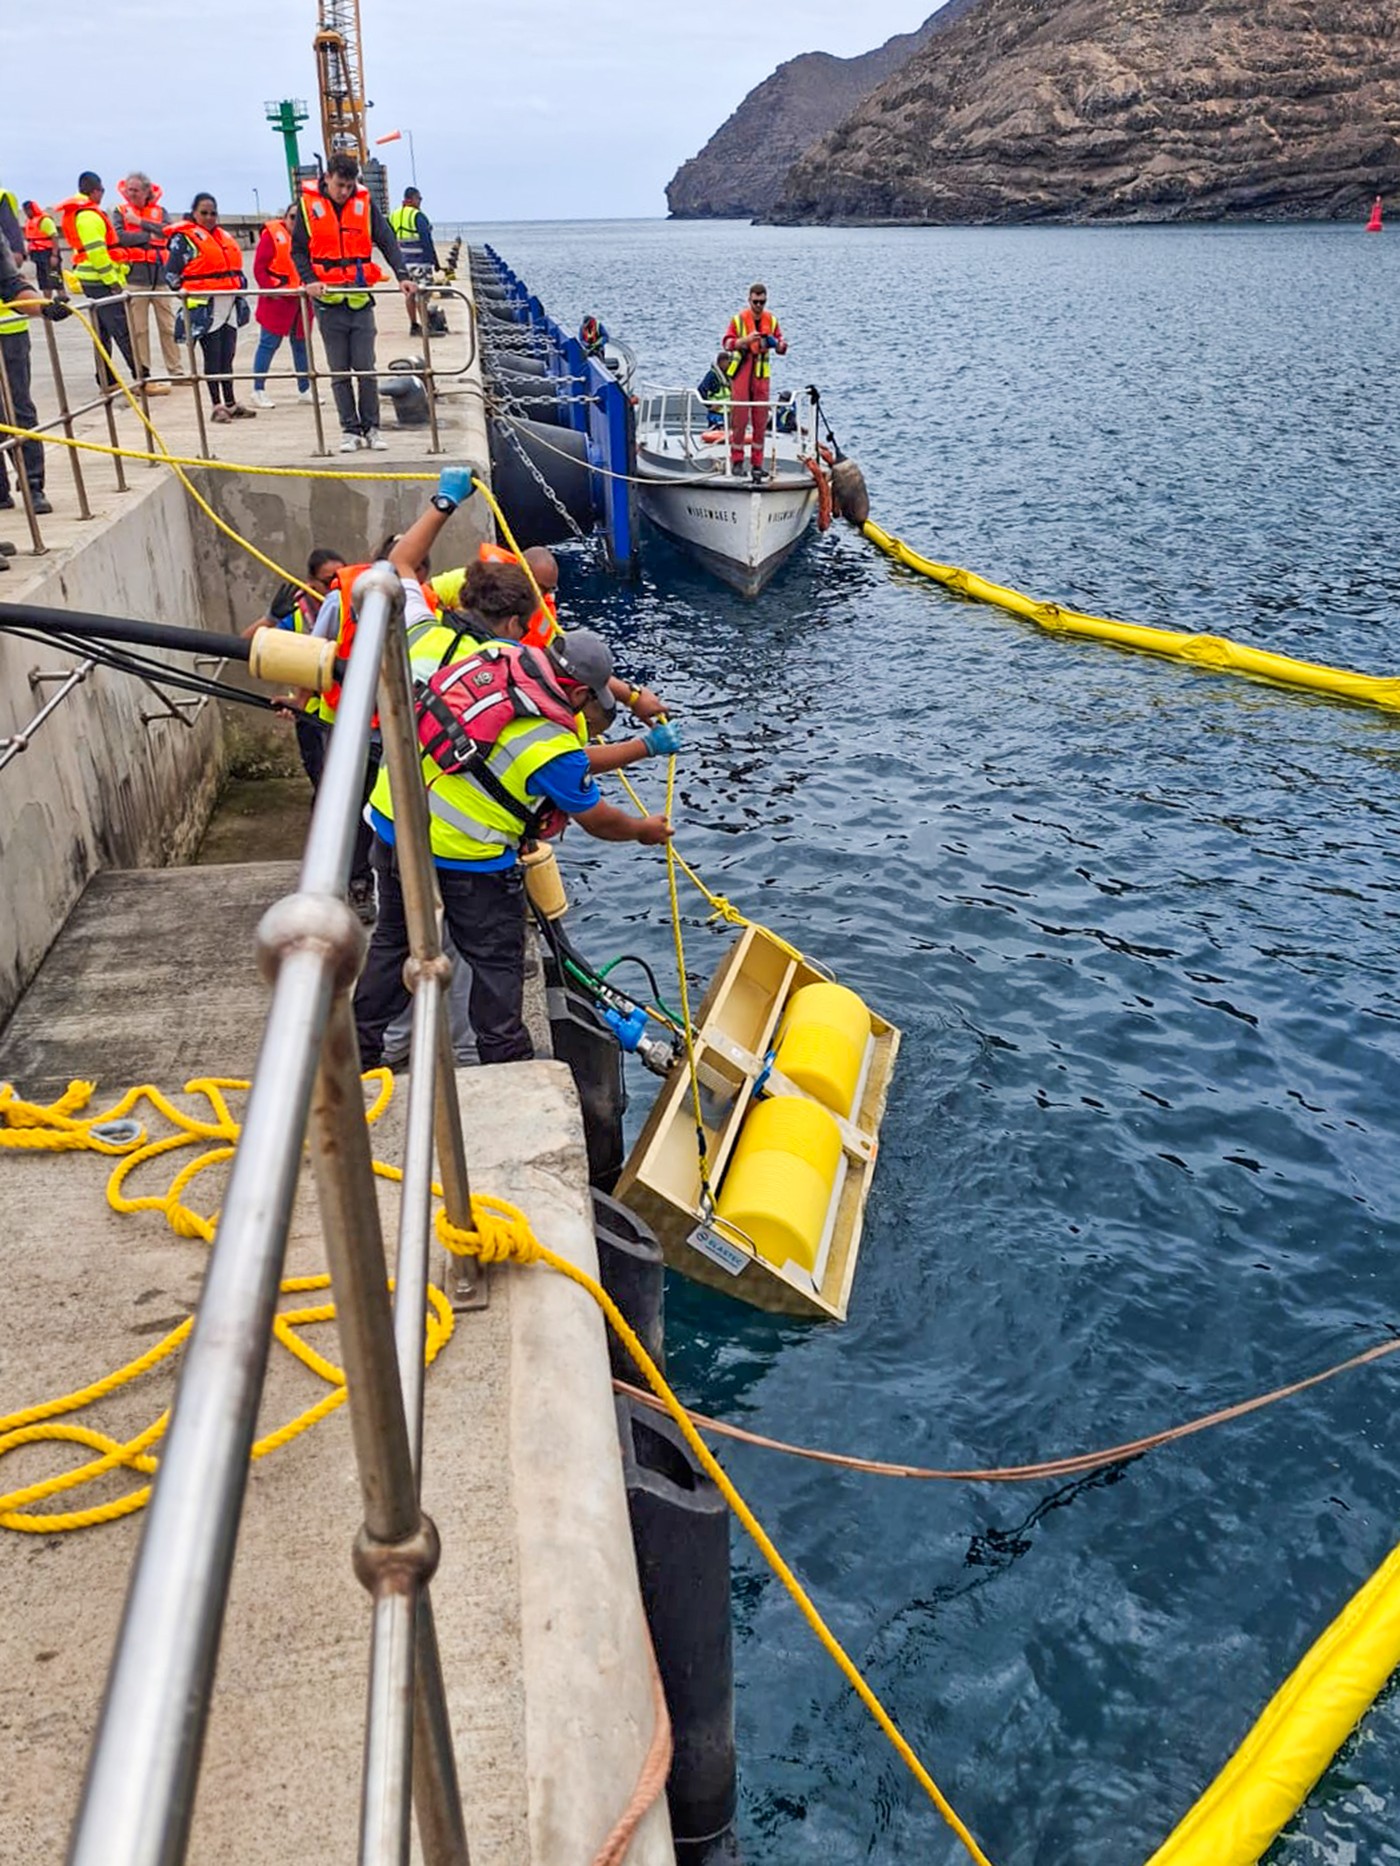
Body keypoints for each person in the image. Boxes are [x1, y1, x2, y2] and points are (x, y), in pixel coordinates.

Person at [352, 468, 675, 1070]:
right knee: (496, 961)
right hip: (467, 856)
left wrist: (446, 500)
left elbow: (399, 567)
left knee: (393, 942)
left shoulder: (470, 651)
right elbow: (596, 814)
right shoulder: (547, 737)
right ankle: (506, 1063)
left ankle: (361, 1046)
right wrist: (645, 821)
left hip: (393, 822)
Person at [292, 154, 412, 453]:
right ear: (328, 178)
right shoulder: (308, 208)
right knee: (339, 371)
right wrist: (309, 280)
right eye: (339, 185)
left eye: (349, 185)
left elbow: (387, 240)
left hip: (359, 299)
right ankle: (349, 429)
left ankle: (372, 428)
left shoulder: (364, 203)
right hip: (328, 301)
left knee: (366, 369)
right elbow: (298, 252)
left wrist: (402, 275)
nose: (344, 191)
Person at [242, 546, 348, 789]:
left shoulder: (352, 610)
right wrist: (269, 619)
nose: (335, 588)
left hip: (346, 711)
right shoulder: (297, 614)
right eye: (328, 581)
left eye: (340, 580)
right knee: (325, 785)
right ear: (310, 584)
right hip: (311, 714)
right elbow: (242, 647)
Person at [164, 194, 251, 424]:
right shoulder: (184, 239)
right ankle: (217, 405)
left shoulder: (223, 237)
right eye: (204, 213)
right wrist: (192, 292)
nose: (209, 217)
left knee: (227, 357)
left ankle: (231, 403)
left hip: (228, 304)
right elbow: (171, 274)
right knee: (212, 358)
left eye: (213, 213)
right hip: (205, 307)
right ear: (194, 213)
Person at [0, 237, 66, 516]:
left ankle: (33, 484)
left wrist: (44, 305)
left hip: (7, 334)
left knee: (18, 410)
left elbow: (11, 284)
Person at [56, 173, 139, 389]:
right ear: (95, 191)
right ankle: (142, 378)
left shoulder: (80, 214)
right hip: (99, 280)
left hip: (90, 278)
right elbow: (97, 253)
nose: (102, 195)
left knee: (101, 332)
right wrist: (112, 280)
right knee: (122, 330)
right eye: (101, 190)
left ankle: (106, 379)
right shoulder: (89, 216)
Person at [112, 173, 183, 391]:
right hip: (135, 279)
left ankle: (177, 371)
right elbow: (119, 236)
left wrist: (141, 224)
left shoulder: (160, 212)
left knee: (168, 327)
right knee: (139, 330)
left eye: (135, 190)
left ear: (146, 192)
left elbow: (169, 232)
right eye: (129, 190)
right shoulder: (120, 212)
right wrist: (149, 237)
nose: (131, 194)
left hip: (160, 277)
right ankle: (144, 375)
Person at [722, 281, 787, 481]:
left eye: (762, 302)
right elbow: (726, 343)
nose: (759, 305)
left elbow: (782, 345)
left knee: (760, 421)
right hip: (742, 373)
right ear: (749, 300)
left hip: (761, 377)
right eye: (756, 301)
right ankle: (738, 461)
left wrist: (778, 345)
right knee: (739, 419)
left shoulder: (772, 320)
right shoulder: (738, 320)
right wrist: (745, 341)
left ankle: (757, 464)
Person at [250, 206, 311, 408]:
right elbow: (259, 268)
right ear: (285, 217)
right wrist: (271, 291)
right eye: (292, 217)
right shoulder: (271, 236)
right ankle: (258, 390)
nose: (296, 221)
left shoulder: (310, 236)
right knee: (268, 344)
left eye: (300, 218)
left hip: (302, 300)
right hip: (277, 301)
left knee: (301, 346)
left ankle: (305, 389)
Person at [388, 187, 438, 335]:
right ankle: (426, 327)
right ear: (413, 199)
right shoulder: (418, 216)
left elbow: (389, 238)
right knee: (423, 294)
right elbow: (426, 240)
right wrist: (434, 261)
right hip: (420, 262)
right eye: (419, 199)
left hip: (404, 263)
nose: (420, 202)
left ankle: (414, 325)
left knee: (410, 294)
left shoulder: (394, 215)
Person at [22, 202, 58, 295]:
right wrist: (27, 252)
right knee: (44, 283)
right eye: (25, 211)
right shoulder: (29, 222)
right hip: (37, 254)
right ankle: (47, 304)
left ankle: (64, 304)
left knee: (56, 281)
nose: (26, 213)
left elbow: (55, 236)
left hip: (48, 253)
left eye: (28, 210)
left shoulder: (45, 220)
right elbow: (31, 240)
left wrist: (54, 255)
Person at [696, 350, 732, 432]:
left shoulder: (727, 375)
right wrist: (710, 405)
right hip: (716, 413)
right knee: (715, 431)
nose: (729, 365)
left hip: (727, 411)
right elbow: (701, 390)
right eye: (727, 362)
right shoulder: (712, 375)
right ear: (721, 362)